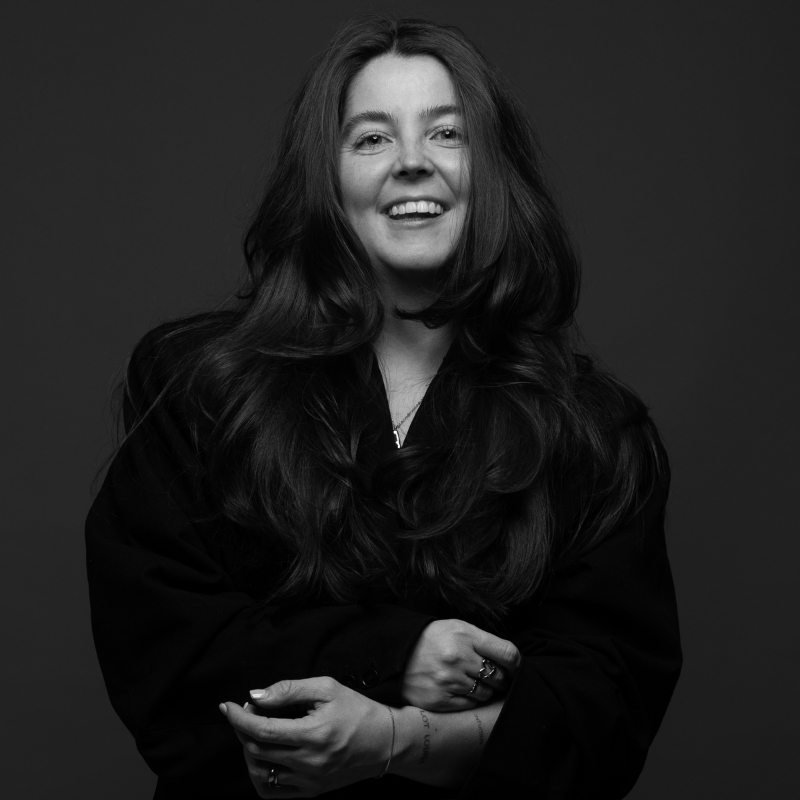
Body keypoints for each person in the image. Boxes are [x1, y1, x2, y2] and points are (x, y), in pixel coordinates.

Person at [86, 15, 681, 800]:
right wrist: (397, 655)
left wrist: (395, 742)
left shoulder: (594, 433)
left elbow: (603, 714)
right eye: (371, 139)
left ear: (492, 169)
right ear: (326, 180)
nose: (411, 162)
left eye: (447, 133)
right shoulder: (202, 384)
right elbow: (163, 648)